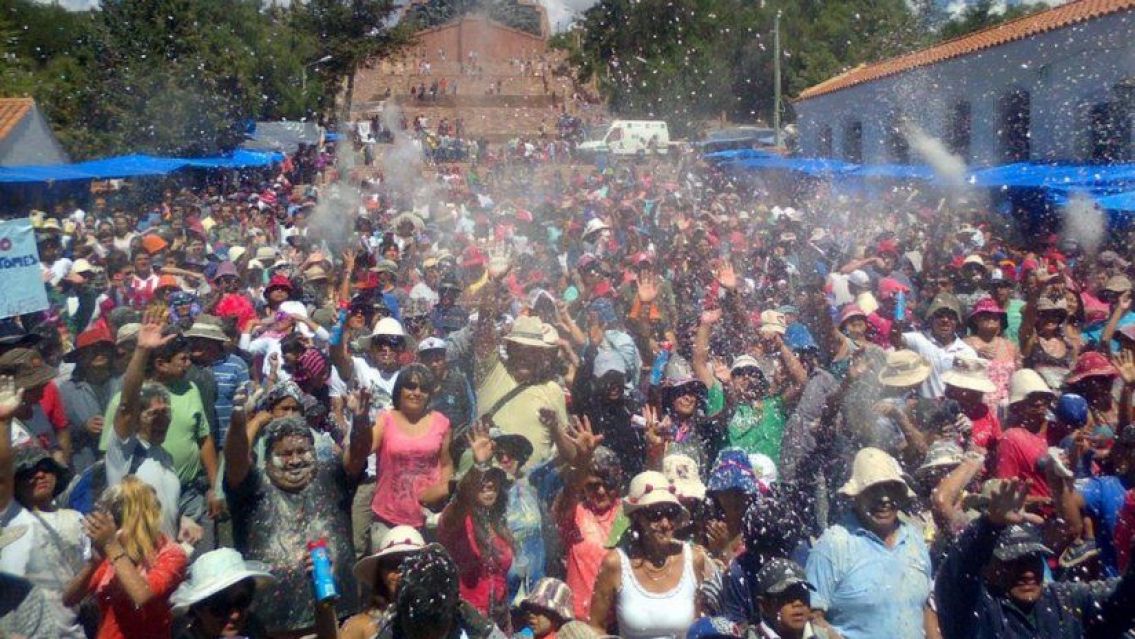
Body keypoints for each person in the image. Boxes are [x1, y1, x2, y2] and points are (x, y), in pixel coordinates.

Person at [223, 383, 370, 637]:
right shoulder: (254, 486)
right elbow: (236, 461)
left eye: (302, 451)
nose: (295, 460)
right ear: (268, 457)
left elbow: (357, 454)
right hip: (272, 627)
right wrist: (238, 422)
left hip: (336, 620)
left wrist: (360, 419)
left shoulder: (330, 476)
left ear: (314, 451)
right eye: (285, 453)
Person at [935, 478, 1135, 639]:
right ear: (990, 566)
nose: (1028, 572)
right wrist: (989, 525)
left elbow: (1124, 595)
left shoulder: (1064, 601)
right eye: (1015, 562)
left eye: (1033, 559)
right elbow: (955, 578)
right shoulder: (976, 611)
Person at [804, 447, 932, 639]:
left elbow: (924, 607)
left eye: (890, 488)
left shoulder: (914, 539)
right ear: (856, 496)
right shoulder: (834, 545)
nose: (884, 499)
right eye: (873, 490)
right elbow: (812, 617)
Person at [588, 470, 712, 638]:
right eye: (656, 514)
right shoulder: (615, 564)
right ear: (638, 517)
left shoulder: (694, 560)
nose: (665, 523)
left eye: (671, 513)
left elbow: (700, 624)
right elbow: (595, 627)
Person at [63, 477, 189, 639]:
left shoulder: (170, 553)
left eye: (114, 518)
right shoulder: (113, 552)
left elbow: (142, 596)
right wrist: (95, 561)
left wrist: (112, 546)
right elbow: (69, 599)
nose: (110, 525)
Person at [438, 421, 514, 630]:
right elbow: (462, 499)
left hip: (498, 626)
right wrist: (478, 467)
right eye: (483, 478)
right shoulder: (455, 520)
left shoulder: (498, 522)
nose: (489, 483)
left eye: (494, 477)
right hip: (463, 626)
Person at [368, 363, 453, 548]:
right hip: (387, 518)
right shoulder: (385, 419)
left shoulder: (442, 423)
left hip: (426, 520)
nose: (416, 392)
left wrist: (442, 493)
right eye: (411, 386)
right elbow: (364, 449)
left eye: (423, 388)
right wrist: (358, 422)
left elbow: (445, 463)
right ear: (400, 389)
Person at [376, 543, 507, 639]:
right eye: (420, 635)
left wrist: (485, 630)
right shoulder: (392, 629)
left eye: (435, 634)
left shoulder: (469, 624)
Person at [169, 547, 275, 639]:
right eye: (222, 606)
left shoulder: (254, 628)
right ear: (198, 608)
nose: (235, 615)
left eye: (242, 602)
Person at [342, 525, 425, 639]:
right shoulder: (362, 626)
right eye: (392, 563)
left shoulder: (444, 620)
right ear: (381, 572)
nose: (401, 571)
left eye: (411, 563)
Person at [752, 559, 828, 639]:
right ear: (765, 605)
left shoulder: (821, 635)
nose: (798, 603)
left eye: (803, 595)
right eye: (788, 596)